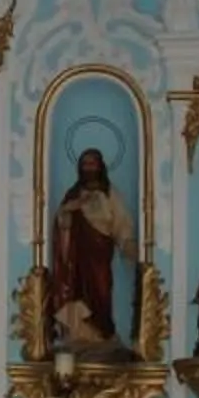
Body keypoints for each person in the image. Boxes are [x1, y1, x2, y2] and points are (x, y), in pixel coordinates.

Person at [49, 146, 136, 353]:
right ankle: (78, 334)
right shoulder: (73, 194)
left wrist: (127, 243)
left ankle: (101, 335)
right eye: (85, 164)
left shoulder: (110, 193)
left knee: (101, 290)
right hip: (76, 256)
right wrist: (68, 211)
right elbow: (62, 224)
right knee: (76, 291)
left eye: (92, 163)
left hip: (100, 253)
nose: (88, 168)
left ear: (100, 167)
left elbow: (121, 221)